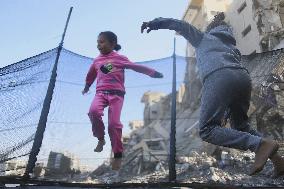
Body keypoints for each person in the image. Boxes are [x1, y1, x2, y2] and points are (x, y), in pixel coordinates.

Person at [141, 12, 284, 177]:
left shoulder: (203, 38)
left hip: (218, 76)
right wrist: (226, 110)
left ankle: (260, 145)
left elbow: (180, 25)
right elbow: (232, 86)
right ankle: (278, 162)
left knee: (207, 130)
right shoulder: (232, 48)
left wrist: (155, 22)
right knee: (241, 127)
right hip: (243, 78)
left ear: (210, 30)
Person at [82, 31, 163, 170]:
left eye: (102, 42)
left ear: (112, 44)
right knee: (93, 112)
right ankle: (100, 138)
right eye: (97, 42)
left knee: (113, 124)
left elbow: (136, 67)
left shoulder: (120, 59)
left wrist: (152, 73)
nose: (98, 45)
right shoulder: (97, 61)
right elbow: (91, 74)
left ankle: (118, 154)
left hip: (117, 95)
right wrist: (87, 86)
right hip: (100, 93)